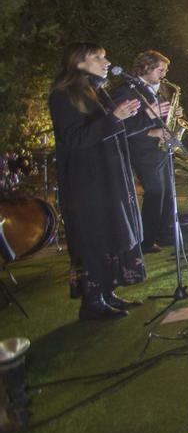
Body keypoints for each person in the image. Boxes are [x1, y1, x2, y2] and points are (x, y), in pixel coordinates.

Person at [49, 42, 147, 320]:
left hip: (109, 176)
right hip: (87, 181)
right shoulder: (63, 94)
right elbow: (74, 138)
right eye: (98, 57)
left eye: (105, 56)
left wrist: (143, 118)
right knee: (95, 236)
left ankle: (108, 291)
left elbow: (114, 130)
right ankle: (92, 302)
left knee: (113, 231)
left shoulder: (97, 91)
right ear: (78, 62)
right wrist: (113, 118)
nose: (106, 62)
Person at [109, 50, 175, 254]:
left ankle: (163, 233)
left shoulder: (158, 88)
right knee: (155, 193)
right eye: (160, 70)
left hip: (160, 149)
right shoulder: (126, 91)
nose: (163, 74)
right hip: (142, 150)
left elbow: (157, 114)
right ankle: (146, 240)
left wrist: (172, 116)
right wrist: (152, 131)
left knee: (167, 193)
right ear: (146, 67)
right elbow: (122, 126)